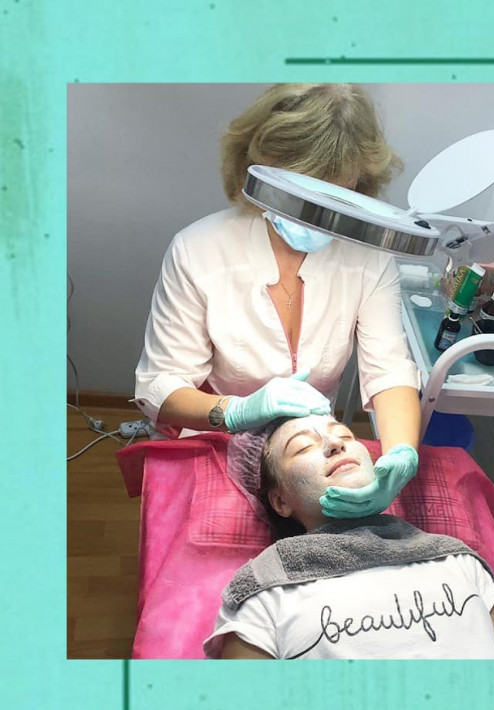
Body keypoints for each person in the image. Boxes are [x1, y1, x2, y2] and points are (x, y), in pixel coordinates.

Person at [134, 84, 422, 519]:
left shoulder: (369, 258)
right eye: (298, 194)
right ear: (261, 168)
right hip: (215, 435)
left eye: (332, 196)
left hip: (308, 443)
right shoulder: (199, 250)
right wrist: (237, 412)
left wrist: (401, 454)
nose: (312, 214)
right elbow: (159, 386)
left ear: (358, 182)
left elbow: (389, 370)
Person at [203, 415, 494, 660]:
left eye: (345, 435)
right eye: (303, 447)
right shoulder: (265, 589)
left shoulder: (456, 559)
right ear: (280, 502)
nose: (335, 444)